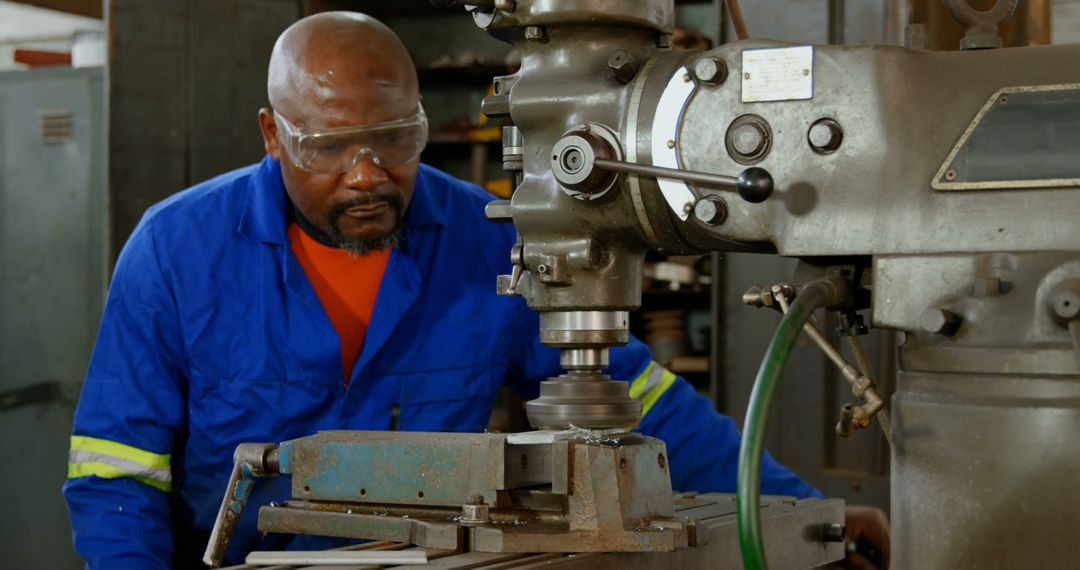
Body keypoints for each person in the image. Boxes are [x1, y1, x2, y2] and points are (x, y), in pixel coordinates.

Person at [63, 11, 888, 570]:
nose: (367, 174)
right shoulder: (175, 252)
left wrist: (801, 512)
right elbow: (117, 474)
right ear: (272, 134)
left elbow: (638, 402)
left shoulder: (489, 234)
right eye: (330, 148)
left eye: (395, 139)